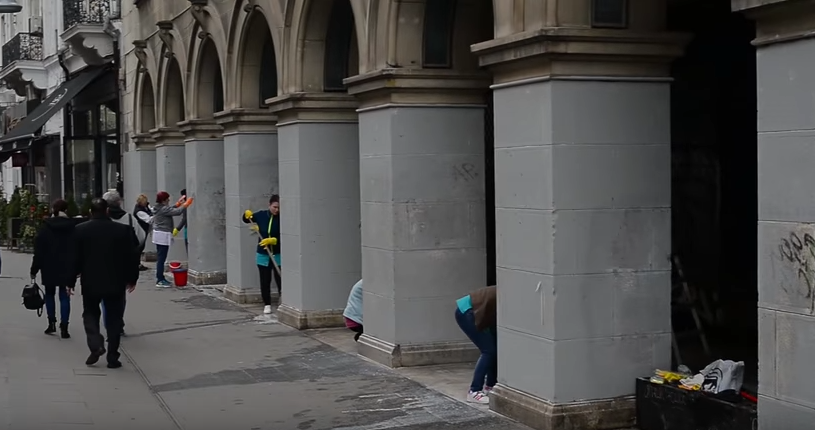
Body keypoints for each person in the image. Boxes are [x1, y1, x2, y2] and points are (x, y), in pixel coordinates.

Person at [72, 198, 140, 368]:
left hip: (90, 281)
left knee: (90, 313)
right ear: (107, 211)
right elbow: (132, 256)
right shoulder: (123, 230)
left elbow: (74, 257)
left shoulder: (80, 230)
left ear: (90, 212)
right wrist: (132, 278)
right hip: (115, 281)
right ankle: (112, 357)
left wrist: (70, 280)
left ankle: (96, 344)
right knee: (114, 318)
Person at [102, 190, 146, 336]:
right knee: (120, 296)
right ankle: (118, 322)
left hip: (104, 263)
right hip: (123, 263)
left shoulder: (101, 219)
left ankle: (109, 324)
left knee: (105, 297)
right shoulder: (129, 219)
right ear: (119, 202)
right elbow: (141, 237)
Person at [30, 199, 76, 338]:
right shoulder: (72, 227)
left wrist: (34, 269)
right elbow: (77, 248)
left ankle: (51, 323)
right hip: (66, 266)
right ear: (66, 210)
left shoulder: (45, 227)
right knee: (64, 296)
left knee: (49, 294)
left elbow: (39, 251)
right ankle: (64, 327)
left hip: (48, 266)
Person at [455, 285, 497, 404]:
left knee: (494, 349)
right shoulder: (511, 295)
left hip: (478, 310)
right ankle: (474, 391)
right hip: (467, 311)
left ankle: (490, 385)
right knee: (488, 351)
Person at [241, 195, 281, 314]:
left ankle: (282, 300)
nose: (277, 210)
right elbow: (247, 219)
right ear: (269, 205)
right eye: (275, 207)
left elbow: (287, 236)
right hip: (263, 254)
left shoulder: (282, 218)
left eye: (279, 208)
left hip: (278, 253)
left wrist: (275, 240)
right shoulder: (261, 215)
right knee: (265, 280)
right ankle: (267, 303)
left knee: (280, 279)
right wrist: (246, 215)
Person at [151, 191, 193, 287]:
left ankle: (160, 278)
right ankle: (160, 279)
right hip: (162, 235)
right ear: (164, 200)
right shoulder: (163, 209)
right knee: (161, 258)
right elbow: (177, 212)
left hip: (159, 234)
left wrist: (178, 204)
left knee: (161, 257)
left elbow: (169, 210)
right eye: (167, 199)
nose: (169, 200)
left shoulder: (158, 207)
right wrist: (186, 204)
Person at [133, 194, 153, 271]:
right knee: (140, 247)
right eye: (144, 202)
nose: (146, 203)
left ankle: (138, 263)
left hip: (144, 229)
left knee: (141, 246)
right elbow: (148, 220)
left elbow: (151, 210)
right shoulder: (139, 211)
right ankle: (137, 264)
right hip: (140, 230)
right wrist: (157, 215)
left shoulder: (145, 207)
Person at [174, 188, 188, 254]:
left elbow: (184, 219)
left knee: (187, 244)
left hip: (187, 228)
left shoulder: (186, 205)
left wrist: (177, 229)